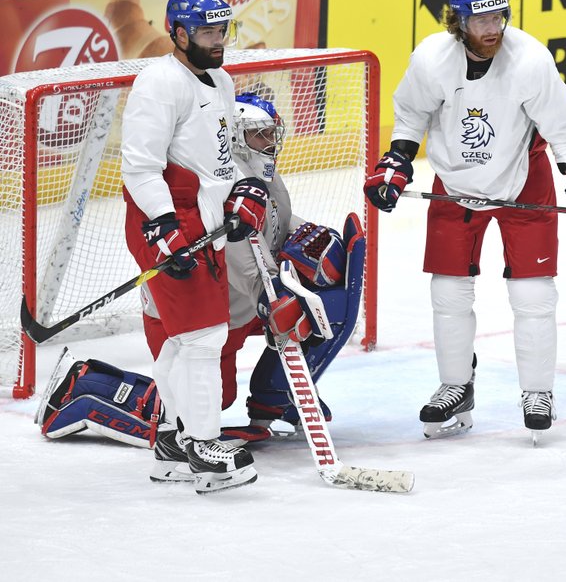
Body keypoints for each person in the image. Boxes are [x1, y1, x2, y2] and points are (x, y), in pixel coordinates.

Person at [37, 94, 365, 455]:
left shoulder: (262, 175)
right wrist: (286, 293)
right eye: (260, 135)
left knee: (322, 307)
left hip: (233, 310)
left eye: (273, 133)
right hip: (190, 315)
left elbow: (278, 221)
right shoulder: (225, 185)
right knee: (195, 411)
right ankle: (83, 390)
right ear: (236, 137)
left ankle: (278, 396)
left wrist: (309, 237)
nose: (270, 143)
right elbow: (247, 268)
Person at [363, 0, 566, 440]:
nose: (493, 26)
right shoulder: (431, 59)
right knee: (448, 292)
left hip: (523, 178)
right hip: (455, 181)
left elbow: (561, 124)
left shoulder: (531, 61)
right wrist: (397, 159)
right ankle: (456, 385)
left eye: (498, 15)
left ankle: (538, 392)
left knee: (534, 295)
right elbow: (412, 111)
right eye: (480, 18)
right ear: (458, 22)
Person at [120, 0, 269, 494]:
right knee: (205, 337)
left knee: (182, 337)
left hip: (201, 222)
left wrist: (241, 191)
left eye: (221, 29)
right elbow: (140, 168)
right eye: (206, 31)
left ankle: (169, 439)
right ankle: (203, 445)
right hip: (164, 220)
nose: (217, 39)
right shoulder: (159, 83)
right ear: (178, 34)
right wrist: (164, 228)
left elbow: (219, 158)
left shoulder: (222, 81)